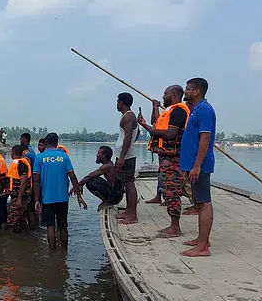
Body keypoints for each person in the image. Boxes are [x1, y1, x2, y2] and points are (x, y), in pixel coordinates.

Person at [138, 85, 190, 238]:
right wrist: (148, 121)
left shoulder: (179, 111)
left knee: (172, 192)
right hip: (166, 158)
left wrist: (147, 128)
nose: (163, 96)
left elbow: (169, 133)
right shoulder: (170, 110)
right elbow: (157, 123)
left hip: (174, 159)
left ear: (174, 95)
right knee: (168, 190)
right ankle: (173, 225)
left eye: (165, 94)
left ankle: (175, 227)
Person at [179, 78, 216, 257]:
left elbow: (205, 139)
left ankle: (203, 247)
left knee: (203, 203)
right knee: (199, 202)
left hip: (199, 165)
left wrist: (197, 166)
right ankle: (202, 239)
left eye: (187, 89)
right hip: (192, 165)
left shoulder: (205, 110)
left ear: (196, 92)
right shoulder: (194, 111)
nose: (185, 92)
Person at [33, 133, 87, 250]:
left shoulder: (39, 158)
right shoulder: (64, 157)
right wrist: (79, 196)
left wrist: (37, 199)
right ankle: (64, 253)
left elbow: (36, 180)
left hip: (47, 198)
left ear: (46, 143)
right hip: (62, 198)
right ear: (57, 143)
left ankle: (52, 253)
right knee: (63, 226)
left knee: (50, 227)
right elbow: (73, 177)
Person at [115, 92, 139, 225]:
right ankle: (128, 211)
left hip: (127, 157)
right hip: (125, 155)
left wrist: (122, 157)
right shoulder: (127, 116)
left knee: (129, 184)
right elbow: (138, 133)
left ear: (121, 103)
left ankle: (132, 215)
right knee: (126, 183)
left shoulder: (128, 117)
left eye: (117, 102)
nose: (117, 104)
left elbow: (128, 137)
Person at [77, 146, 123, 211]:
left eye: (98, 153)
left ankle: (107, 201)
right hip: (116, 194)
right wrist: (81, 184)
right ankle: (107, 200)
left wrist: (76, 186)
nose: (97, 155)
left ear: (104, 155)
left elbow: (89, 176)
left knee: (90, 182)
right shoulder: (109, 164)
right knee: (93, 179)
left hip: (115, 196)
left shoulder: (107, 166)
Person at [6, 145, 32, 233]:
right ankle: (22, 241)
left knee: (11, 220)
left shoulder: (21, 164)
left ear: (13, 152)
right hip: (17, 196)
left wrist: (19, 199)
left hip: (21, 197)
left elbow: (24, 182)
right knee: (21, 219)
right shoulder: (19, 162)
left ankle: (13, 240)